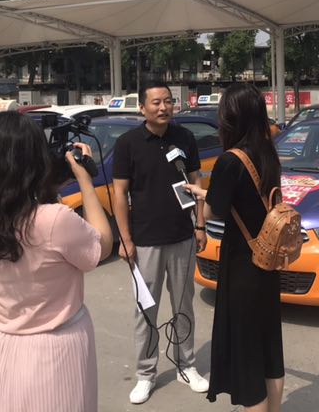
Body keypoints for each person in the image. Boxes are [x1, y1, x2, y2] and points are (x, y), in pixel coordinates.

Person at [0, 111, 113, 412]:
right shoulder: (54, 220)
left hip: (0, 342)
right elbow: (101, 245)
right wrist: (85, 182)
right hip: (55, 349)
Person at [184, 82, 285, 412]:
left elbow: (216, 210)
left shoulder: (230, 160)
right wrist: (207, 193)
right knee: (269, 348)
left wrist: (203, 200)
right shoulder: (268, 152)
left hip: (243, 263)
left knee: (247, 356)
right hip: (268, 260)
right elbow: (249, 198)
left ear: (231, 116)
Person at [112, 81, 209, 405]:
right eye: (156, 102)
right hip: (145, 242)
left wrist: (199, 225)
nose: (163, 107)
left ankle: (186, 365)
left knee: (184, 306)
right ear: (142, 108)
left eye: (168, 101)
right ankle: (146, 374)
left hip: (182, 236)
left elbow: (195, 181)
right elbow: (119, 193)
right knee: (146, 310)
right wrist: (125, 240)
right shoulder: (128, 143)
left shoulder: (185, 137)